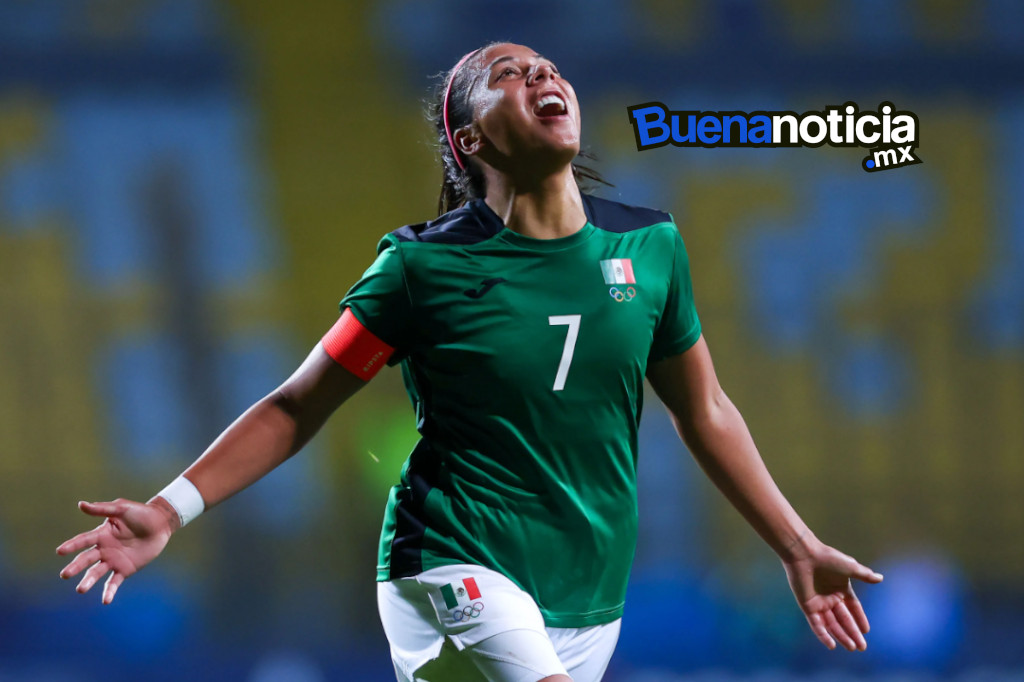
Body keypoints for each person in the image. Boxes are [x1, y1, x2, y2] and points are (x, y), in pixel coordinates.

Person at [57, 42, 884, 682]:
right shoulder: (420, 269)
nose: (541, 73)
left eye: (546, 66)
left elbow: (705, 411)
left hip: (589, 592)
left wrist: (796, 546)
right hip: (450, 559)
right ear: (469, 135)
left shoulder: (651, 247)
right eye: (509, 74)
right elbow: (297, 404)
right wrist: (169, 510)